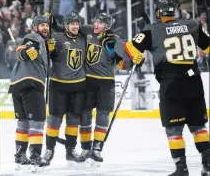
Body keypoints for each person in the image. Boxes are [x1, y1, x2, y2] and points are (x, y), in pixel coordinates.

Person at [101, 0, 210, 176]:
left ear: (158, 11)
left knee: (174, 129)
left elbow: (128, 50)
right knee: (198, 126)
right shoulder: (192, 24)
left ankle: (181, 169)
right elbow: (206, 46)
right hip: (195, 82)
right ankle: (208, 162)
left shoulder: (152, 30)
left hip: (172, 84)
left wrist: (112, 41)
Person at [52, 12, 139, 165]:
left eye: (99, 22)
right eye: (96, 21)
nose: (96, 24)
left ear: (107, 26)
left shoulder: (114, 40)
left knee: (103, 116)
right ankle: (86, 148)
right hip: (88, 81)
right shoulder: (86, 30)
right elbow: (67, 29)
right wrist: (53, 23)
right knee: (85, 115)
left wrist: (132, 61)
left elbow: (122, 62)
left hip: (106, 83)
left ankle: (97, 148)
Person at [8, 15, 55, 172]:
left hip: (17, 84)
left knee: (23, 123)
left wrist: (48, 52)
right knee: (37, 122)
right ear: (35, 27)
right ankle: (35, 158)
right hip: (31, 83)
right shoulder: (33, 37)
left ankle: (20, 158)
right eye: (41, 25)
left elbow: (46, 64)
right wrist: (26, 52)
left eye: (46, 25)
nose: (45, 28)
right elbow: (23, 49)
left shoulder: (43, 43)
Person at [39, 12, 87, 167]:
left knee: (73, 121)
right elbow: (48, 56)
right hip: (58, 86)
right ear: (66, 25)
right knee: (54, 120)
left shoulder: (83, 38)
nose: (75, 26)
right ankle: (49, 150)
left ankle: (70, 151)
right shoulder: (57, 38)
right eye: (72, 23)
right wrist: (49, 48)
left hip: (78, 85)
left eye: (77, 23)